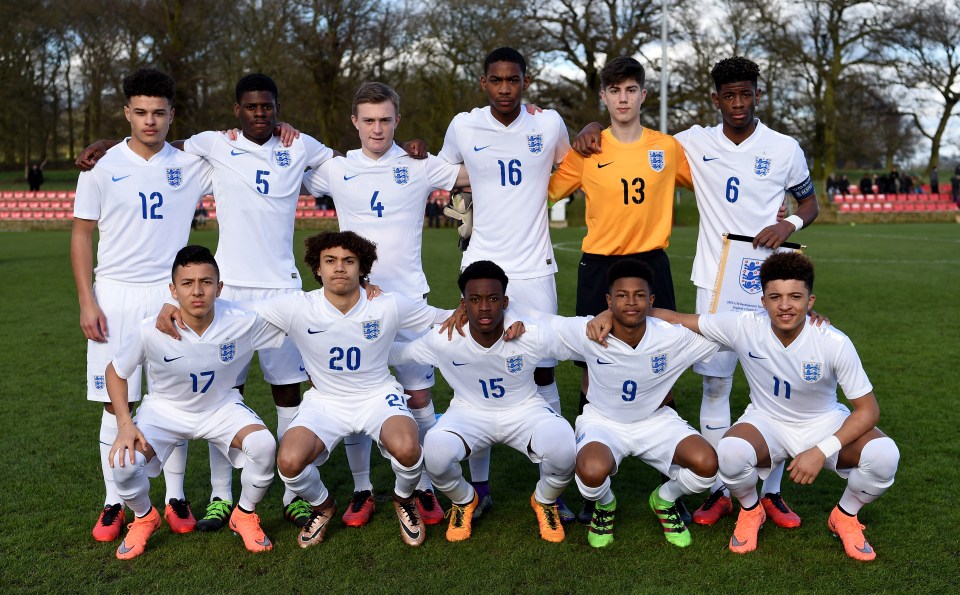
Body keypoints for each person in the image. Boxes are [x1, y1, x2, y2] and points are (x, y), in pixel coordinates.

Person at [77, 73, 335, 530]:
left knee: (264, 393)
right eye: (140, 112)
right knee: (178, 396)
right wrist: (108, 142)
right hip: (164, 291)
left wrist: (282, 128)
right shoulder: (187, 151)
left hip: (234, 290)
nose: (150, 120)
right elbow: (156, 148)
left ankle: (262, 493)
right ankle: (152, 499)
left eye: (268, 106)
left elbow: (335, 166)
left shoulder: (268, 148)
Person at [572, 56, 819, 527]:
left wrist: (788, 222)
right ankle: (726, 487)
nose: (739, 103)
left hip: (770, 280)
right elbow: (632, 137)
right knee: (716, 381)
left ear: (757, 96)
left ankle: (772, 492)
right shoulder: (690, 143)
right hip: (714, 279)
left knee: (777, 382)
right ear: (716, 100)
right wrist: (591, 125)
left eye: (746, 94)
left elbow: (810, 202)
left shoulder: (785, 148)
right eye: (730, 96)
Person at [649, 252, 900, 561]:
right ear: (763, 301)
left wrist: (821, 450)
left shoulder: (833, 341)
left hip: (823, 421)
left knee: (885, 456)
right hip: (766, 422)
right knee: (729, 451)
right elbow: (677, 319)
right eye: (775, 297)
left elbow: (868, 410)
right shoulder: (744, 326)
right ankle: (751, 511)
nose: (785, 305)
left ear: (810, 301)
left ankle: (845, 515)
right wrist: (613, 315)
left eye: (795, 296)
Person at [301, 82, 467, 528]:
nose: (377, 128)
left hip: (408, 297)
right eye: (369, 120)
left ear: (398, 119)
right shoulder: (336, 169)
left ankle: (425, 486)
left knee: (418, 395)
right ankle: (361, 490)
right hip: (352, 300)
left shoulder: (419, 164)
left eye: (386, 119)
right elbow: (280, 170)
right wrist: (278, 130)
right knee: (350, 390)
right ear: (354, 122)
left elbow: (479, 171)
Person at [224, 230, 450, 548]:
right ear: (318, 268)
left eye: (348, 261)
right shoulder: (296, 306)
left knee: (408, 448)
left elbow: (443, 319)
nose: (339, 268)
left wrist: (502, 318)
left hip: (377, 396)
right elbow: (233, 313)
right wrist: (175, 308)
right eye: (330, 261)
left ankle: (404, 499)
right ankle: (324, 506)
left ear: (362, 268)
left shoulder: (388, 305)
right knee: (288, 461)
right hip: (326, 402)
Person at [72, 67, 211, 542]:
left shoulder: (192, 164)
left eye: (159, 113)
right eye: (140, 112)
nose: (150, 121)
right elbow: (81, 233)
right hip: (114, 293)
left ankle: (174, 498)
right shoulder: (101, 165)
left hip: (170, 294)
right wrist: (87, 299)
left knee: (172, 399)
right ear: (126, 113)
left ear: (173, 115)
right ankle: (116, 501)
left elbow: (244, 155)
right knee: (117, 405)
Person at [437, 47, 573, 520]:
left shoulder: (549, 124)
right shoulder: (463, 126)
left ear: (526, 81)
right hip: (482, 266)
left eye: (513, 80)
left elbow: (573, 167)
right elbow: (446, 174)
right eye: (496, 81)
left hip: (536, 269)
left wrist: (592, 132)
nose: (504, 89)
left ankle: (552, 488)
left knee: (544, 371)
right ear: (483, 83)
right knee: (479, 370)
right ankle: (480, 487)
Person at [106, 246, 279, 560]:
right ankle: (145, 517)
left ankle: (244, 514)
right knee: (123, 463)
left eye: (206, 282)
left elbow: (303, 310)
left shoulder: (244, 321)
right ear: (173, 290)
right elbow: (115, 372)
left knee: (264, 445)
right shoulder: (151, 329)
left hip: (221, 407)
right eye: (187, 283)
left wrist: (362, 292)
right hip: (165, 410)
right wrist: (124, 423)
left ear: (219, 287)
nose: (197, 291)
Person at [390, 260, 576, 543]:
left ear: (505, 302)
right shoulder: (445, 339)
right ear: (463, 304)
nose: (485, 307)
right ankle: (465, 500)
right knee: (436, 454)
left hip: (524, 410)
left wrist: (604, 322)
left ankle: (544, 500)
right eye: (475, 300)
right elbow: (398, 354)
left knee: (564, 446)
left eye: (493, 299)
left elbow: (575, 338)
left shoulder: (528, 335)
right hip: (469, 413)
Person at [550, 260, 720, 548]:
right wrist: (513, 324)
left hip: (655, 421)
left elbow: (733, 331)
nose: (631, 302)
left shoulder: (672, 336)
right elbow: (540, 328)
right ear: (608, 301)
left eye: (639, 295)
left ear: (651, 300)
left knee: (707, 465)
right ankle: (605, 505)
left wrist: (801, 318)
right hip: (602, 423)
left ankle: (664, 500)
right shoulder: (589, 331)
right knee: (590, 472)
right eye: (621, 296)